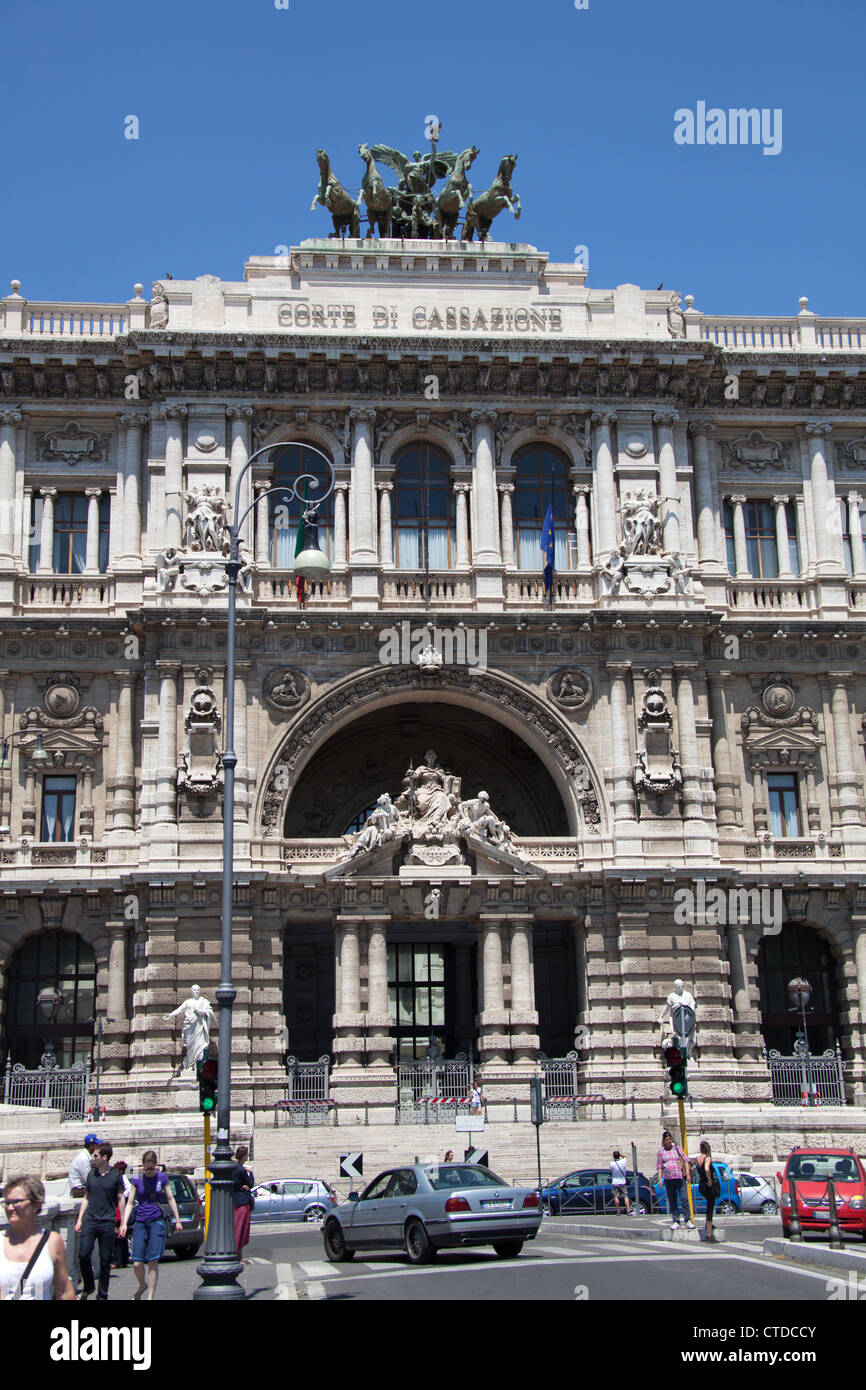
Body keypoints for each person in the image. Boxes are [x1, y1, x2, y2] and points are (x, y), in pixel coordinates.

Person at [0, 1175, 76, 1301]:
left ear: (36, 1205)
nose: (10, 1208)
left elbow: (64, 1291)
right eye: (7, 1203)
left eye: (16, 1202)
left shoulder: (52, 1242)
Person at [119, 1151, 182, 1301]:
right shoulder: (137, 1178)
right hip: (141, 1221)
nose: (148, 1171)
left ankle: (150, 1297)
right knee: (137, 1262)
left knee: (153, 1260)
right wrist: (124, 1223)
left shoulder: (162, 1178)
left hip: (156, 1221)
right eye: (146, 1168)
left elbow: (170, 1198)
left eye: (151, 1168)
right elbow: (129, 1202)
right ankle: (142, 1285)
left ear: (156, 1166)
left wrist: (177, 1220)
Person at [76, 1142, 126, 1300]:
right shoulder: (91, 1175)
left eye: (95, 1156)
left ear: (104, 1158)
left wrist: (123, 1223)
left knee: (105, 1260)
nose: (93, 1158)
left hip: (107, 1221)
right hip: (90, 1219)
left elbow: (121, 1199)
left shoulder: (115, 1176)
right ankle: (89, 1285)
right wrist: (79, 1219)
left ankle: (102, 1295)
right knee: (83, 1254)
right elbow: (86, 1198)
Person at [67, 1131, 100, 1291]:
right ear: (91, 1145)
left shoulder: (88, 1157)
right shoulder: (83, 1159)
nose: (98, 1147)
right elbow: (91, 1180)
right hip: (80, 1192)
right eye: (97, 1144)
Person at [656, 1131, 694, 1230]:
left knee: (684, 1199)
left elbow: (686, 1160)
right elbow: (659, 1166)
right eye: (666, 1140)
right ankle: (676, 1220)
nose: (668, 1141)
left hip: (679, 1177)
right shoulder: (660, 1152)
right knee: (672, 1201)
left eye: (669, 1139)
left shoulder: (677, 1149)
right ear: (663, 1141)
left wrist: (688, 1175)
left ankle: (688, 1220)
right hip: (668, 1179)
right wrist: (660, 1179)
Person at [231, 1146, 255, 1257]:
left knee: (238, 1229)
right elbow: (250, 1183)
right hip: (242, 1202)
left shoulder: (235, 1168)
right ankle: (237, 1254)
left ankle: (238, 1254)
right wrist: (250, 1173)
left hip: (235, 1201)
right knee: (241, 1229)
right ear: (244, 1156)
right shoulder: (241, 1170)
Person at [695, 1140, 720, 1243]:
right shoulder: (707, 1158)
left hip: (701, 1185)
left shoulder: (697, 1159)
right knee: (710, 1208)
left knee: (709, 1207)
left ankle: (708, 1225)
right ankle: (709, 1234)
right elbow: (706, 1169)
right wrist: (709, 1180)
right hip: (708, 1185)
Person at [112, 1161, 133, 1269]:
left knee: (118, 1235)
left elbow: (129, 1189)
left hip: (120, 1209)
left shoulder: (122, 1178)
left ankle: (118, 1260)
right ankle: (123, 1259)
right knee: (122, 1236)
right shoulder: (125, 1177)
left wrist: (120, 1196)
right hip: (121, 1209)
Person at [610, 1150, 631, 1215]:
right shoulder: (623, 1161)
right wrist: (621, 1155)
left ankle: (618, 1211)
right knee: (625, 1196)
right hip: (622, 1181)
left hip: (615, 1182)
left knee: (616, 1196)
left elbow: (611, 1169)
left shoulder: (612, 1163)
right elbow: (625, 1157)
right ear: (619, 1156)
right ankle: (628, 1210)